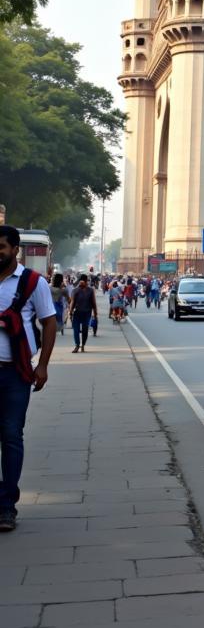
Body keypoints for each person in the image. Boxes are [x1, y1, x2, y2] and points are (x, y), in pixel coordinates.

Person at [0, 225, 57, 533]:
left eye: (1, 248)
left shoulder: (34, 283)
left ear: (14, 250)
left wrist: (43, 365)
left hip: (15, 373)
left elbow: (49, 323)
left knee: (10, 436)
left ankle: (7, 506)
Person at [69, 275, 98, 353]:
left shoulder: (90, 290)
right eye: (80, 281)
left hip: (87, 313)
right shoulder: (75, 290)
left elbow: (93, 303)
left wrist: (95, 314)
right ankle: (77, 345)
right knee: (76, 329)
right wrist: (70, 312)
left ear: (86, 282)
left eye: (83, 281)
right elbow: (72, 302)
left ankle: (83, 345)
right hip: (77, 312)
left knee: (85, 330)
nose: (82, 283)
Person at [50, 272, 70, 337]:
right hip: (58, 308)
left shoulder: (48, 288)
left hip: (49, 308)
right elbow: (69, 300)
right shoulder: (63, 290)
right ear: (61, 281)